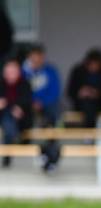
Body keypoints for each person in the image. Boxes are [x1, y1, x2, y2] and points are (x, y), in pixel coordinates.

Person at [23, 44, 61, 172]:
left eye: (39, 58)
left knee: (51, 120)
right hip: (29, 106)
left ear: (43, 57)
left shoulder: (51, 71)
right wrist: (32, 102)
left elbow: (55, 92)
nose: (36, 61)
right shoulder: (24, 72)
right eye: (33, 58)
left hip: (47, 107)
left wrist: (41, 102)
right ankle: (24, 143)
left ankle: (49, 152)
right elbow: (21, 92)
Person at [67, 48, 101, 128]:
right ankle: (90, 132)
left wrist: (96, 94)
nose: (94, 67)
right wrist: (80, 93)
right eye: (91, 64)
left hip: (98, 105)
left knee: (91, 107)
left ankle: (89, 134)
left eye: (96, 64)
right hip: (80, 104)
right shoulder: (78, 71)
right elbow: (70, 92)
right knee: (87, 105)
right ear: (87, 63)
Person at [0, 58, 33, 168]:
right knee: (8, 116)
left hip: (22, 119)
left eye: (13, 72)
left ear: (18, 72)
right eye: (8, 72)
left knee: (9, 116)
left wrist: (11, 106)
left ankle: (8, 152)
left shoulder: (25, 84)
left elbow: (26, 101)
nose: (10, 75)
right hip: (4, 117)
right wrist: (12, 106)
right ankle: (14, 137)